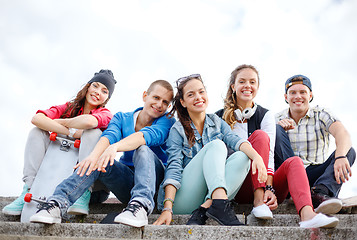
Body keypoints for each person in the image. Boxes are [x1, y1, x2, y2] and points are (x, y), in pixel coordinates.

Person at [29, 79, 175, 227]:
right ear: (145, 96)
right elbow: (109, 136)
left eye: (165, 102)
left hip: (154, 186)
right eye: (156, 98)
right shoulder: (121, 117)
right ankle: (57, 203)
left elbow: (145, 136)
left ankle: (141, 207)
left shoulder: (167, 121)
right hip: (128, 184)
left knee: (142, 148)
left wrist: (115, 147)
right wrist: (92, 157)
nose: (159, 105)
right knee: (97, 158)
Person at [218, 65, 339, 228]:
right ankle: (258, 201)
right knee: (259, 136)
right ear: (233, 86)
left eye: (252, 82)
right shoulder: (218, 118)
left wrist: (269, 188)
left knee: (294, 161)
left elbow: (269, 155)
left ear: (257, 87)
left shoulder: (265, 114)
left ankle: (308, 215)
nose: (248, 85)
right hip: (236, 186)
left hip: (264, 182)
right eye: (242, 81)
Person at [153, 74, 267, 226]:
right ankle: (219, 203)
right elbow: (173, 168)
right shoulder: (177, 130)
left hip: (205, 198)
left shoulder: (216, 121)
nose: (198, 97)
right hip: (182, 200)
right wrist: (168, 208)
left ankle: (207, 208)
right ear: (183, 102)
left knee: (243, 156)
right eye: (191, 94)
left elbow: (236, 141)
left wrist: (257, 157)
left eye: (201, 92)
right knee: (217, 145)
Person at [2, 69, 116, 216]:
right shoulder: (69, 107)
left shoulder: (105, 114)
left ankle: (83, 194)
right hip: (59, 174)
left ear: (107, 98)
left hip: (95, 188)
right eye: (95, 86)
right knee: (37, 131)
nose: (98, 92)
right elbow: (37, 119)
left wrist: (58, 124)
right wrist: (71, 132)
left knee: (93, 132)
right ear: (88, 86)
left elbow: (88, 122)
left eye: (105, 91)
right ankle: (28, 191)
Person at [275, 74, 356, 215]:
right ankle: (295, 194)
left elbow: (342, 133)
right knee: (274, 130)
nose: (298, 96)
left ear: (310, 95)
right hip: (289, 176)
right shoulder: (276, 119)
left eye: (303, 92)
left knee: (349, 151)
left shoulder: (321, 114)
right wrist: (277, 130)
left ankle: (320, 194)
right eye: (292, 93)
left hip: (314, 175)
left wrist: (340, 157)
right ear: (286, 97)